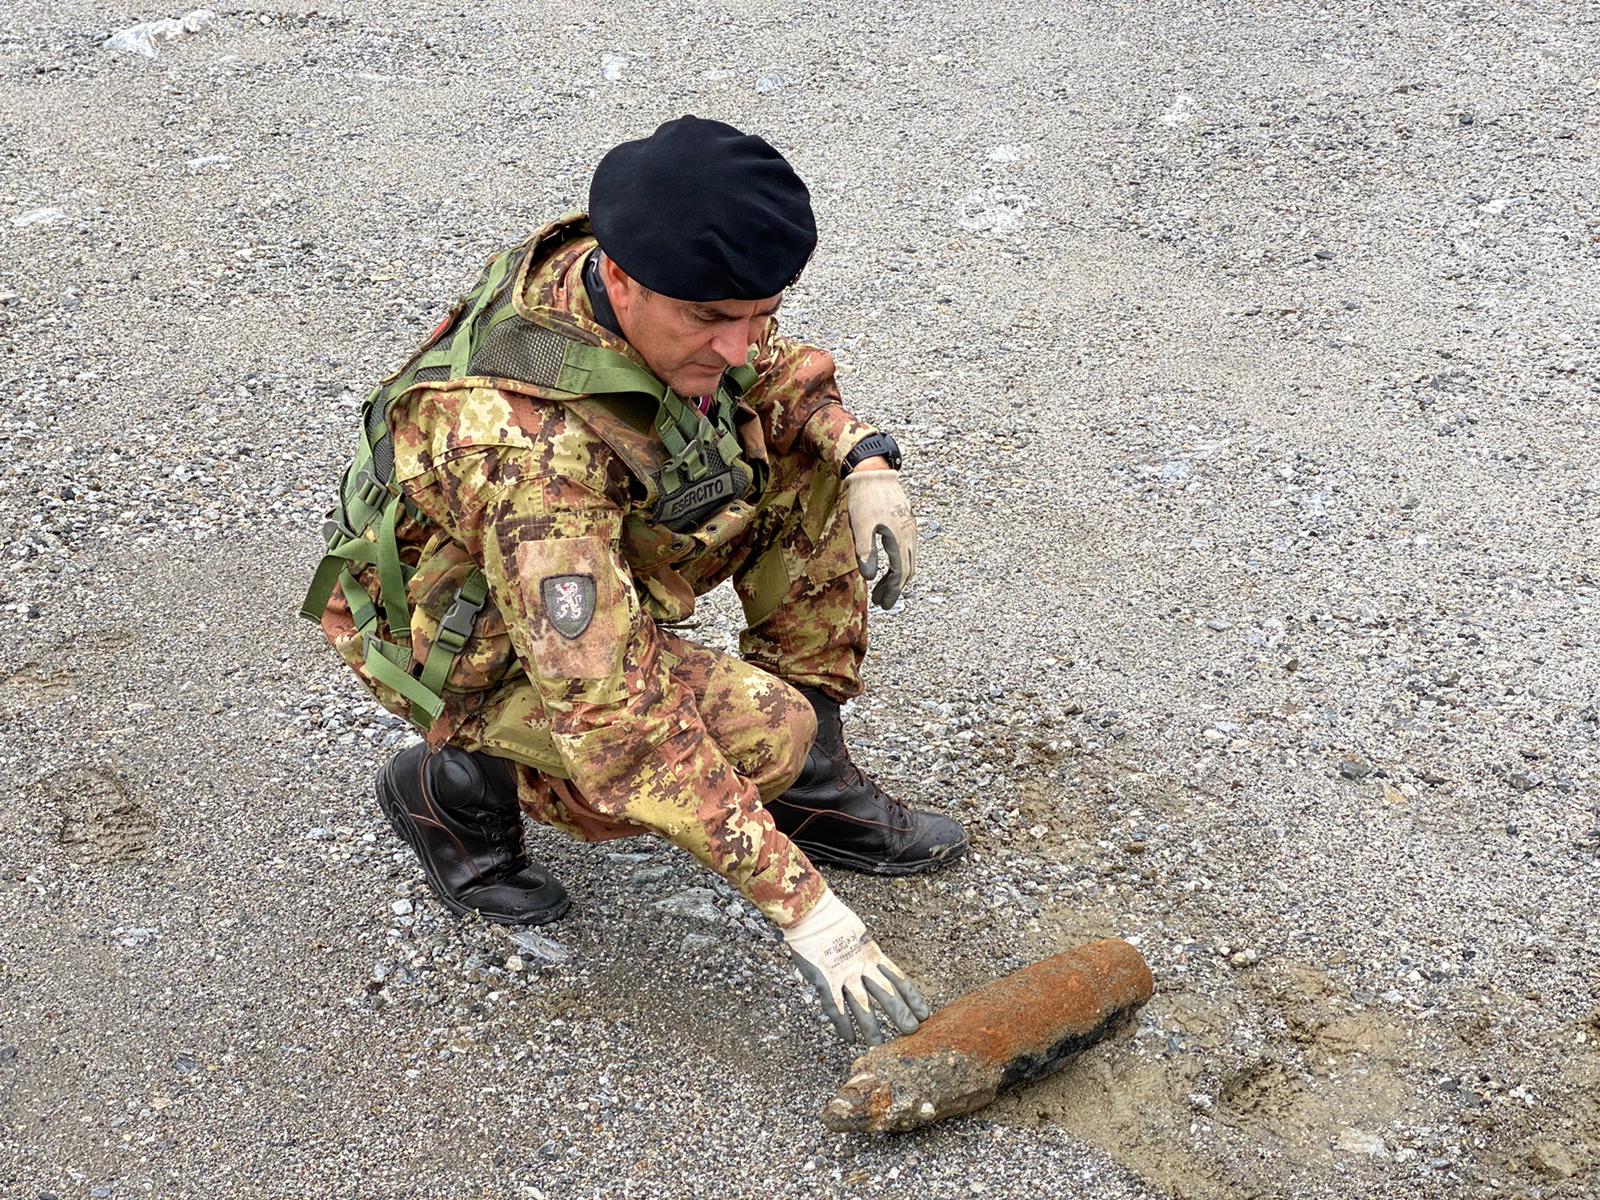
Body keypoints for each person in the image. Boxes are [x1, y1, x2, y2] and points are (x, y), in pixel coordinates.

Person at [301, 116, 967, 1045]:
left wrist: (864, 457)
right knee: (755, 733)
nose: (739, 345)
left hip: (571, 555)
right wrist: (808, 913)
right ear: (621, 280)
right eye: (710, 320)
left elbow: (770, 373)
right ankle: (453, 784)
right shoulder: (524, 456)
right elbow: (616, 716)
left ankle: (813, 788)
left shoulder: (642, 263)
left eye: (760, 313)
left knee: (801, 461)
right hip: (461, 635)